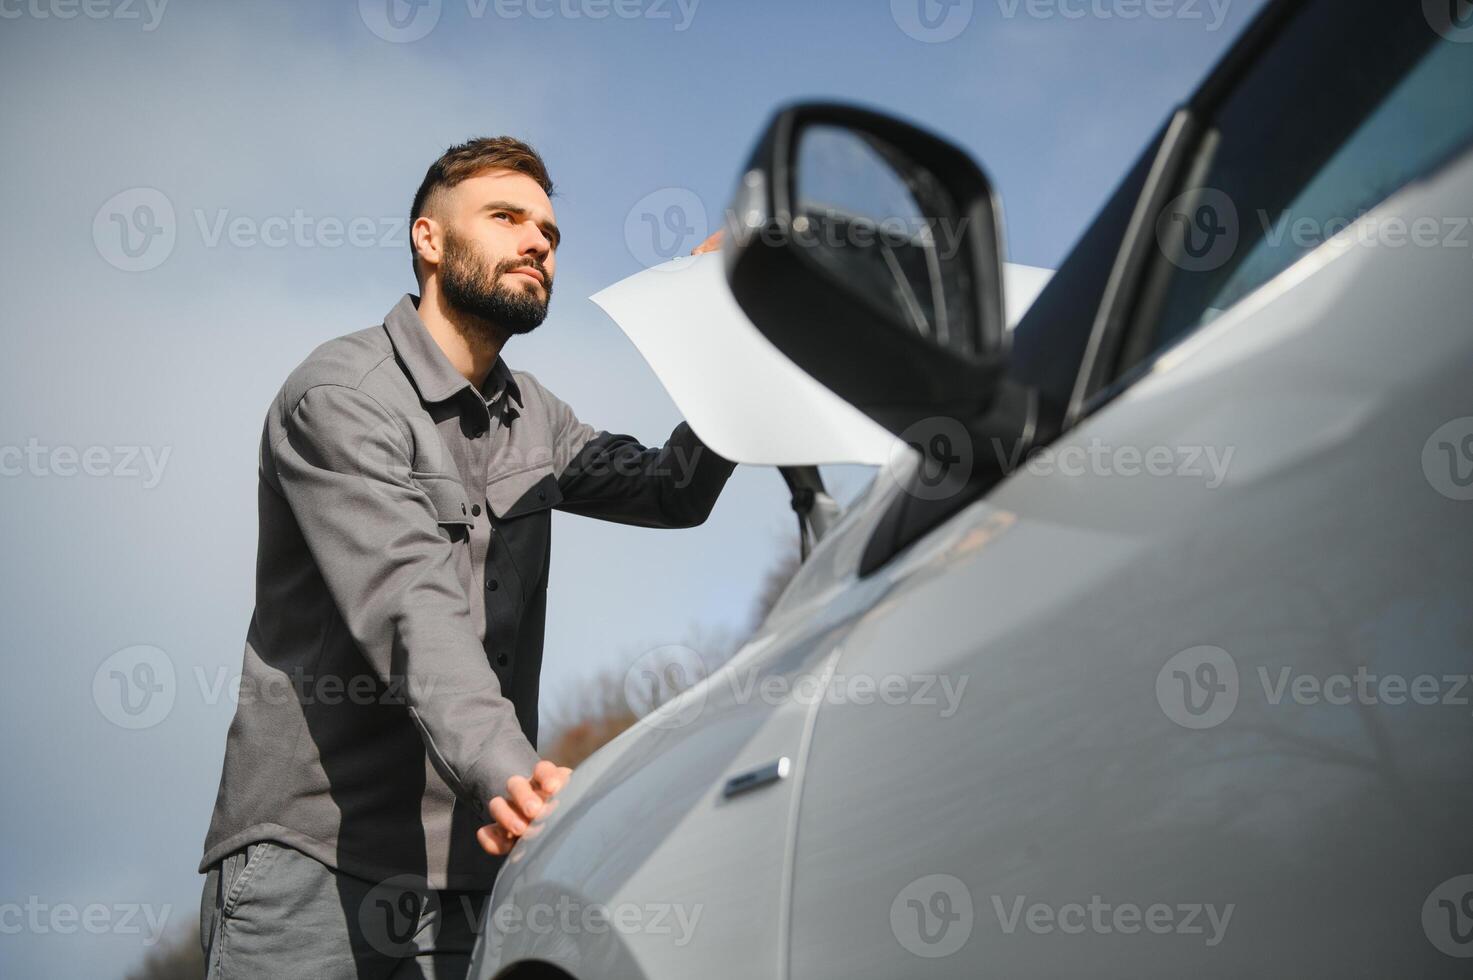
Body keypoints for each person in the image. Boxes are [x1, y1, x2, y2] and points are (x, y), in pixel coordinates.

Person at [197, 136, 734, 978]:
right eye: (506, 217)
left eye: (549, 232)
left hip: (475, 875)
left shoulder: (537, 418)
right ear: (430, 241)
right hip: (315, 863)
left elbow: (672, 490)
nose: (537, 242)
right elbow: (409, 598)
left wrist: (729, 333)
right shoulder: (341, 396)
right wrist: (512, 775)